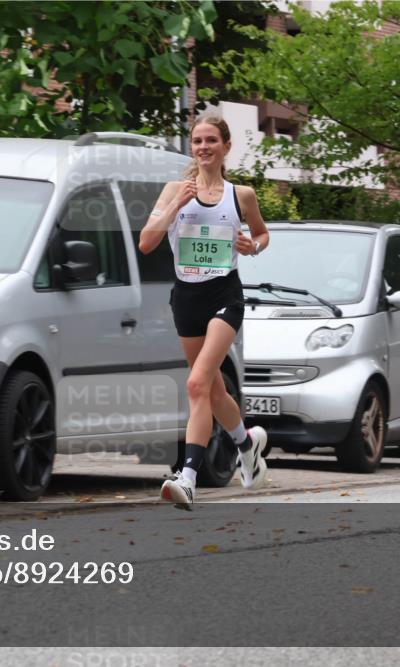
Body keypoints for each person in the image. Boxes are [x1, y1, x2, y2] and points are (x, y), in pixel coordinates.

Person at [137, 114, 270, 510]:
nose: (204, 147)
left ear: (226, 147)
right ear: (191, 147)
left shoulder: (240, 195)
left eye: (212, 140)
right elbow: (146, 243)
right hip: (187, 299)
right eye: (197, 140)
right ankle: (248, 446)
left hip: (224, 297)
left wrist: (254, 246)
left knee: (196, 384)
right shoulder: (174, 190)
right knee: (211, 389)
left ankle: (188, 477)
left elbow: (262, 233)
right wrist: (175, 205)